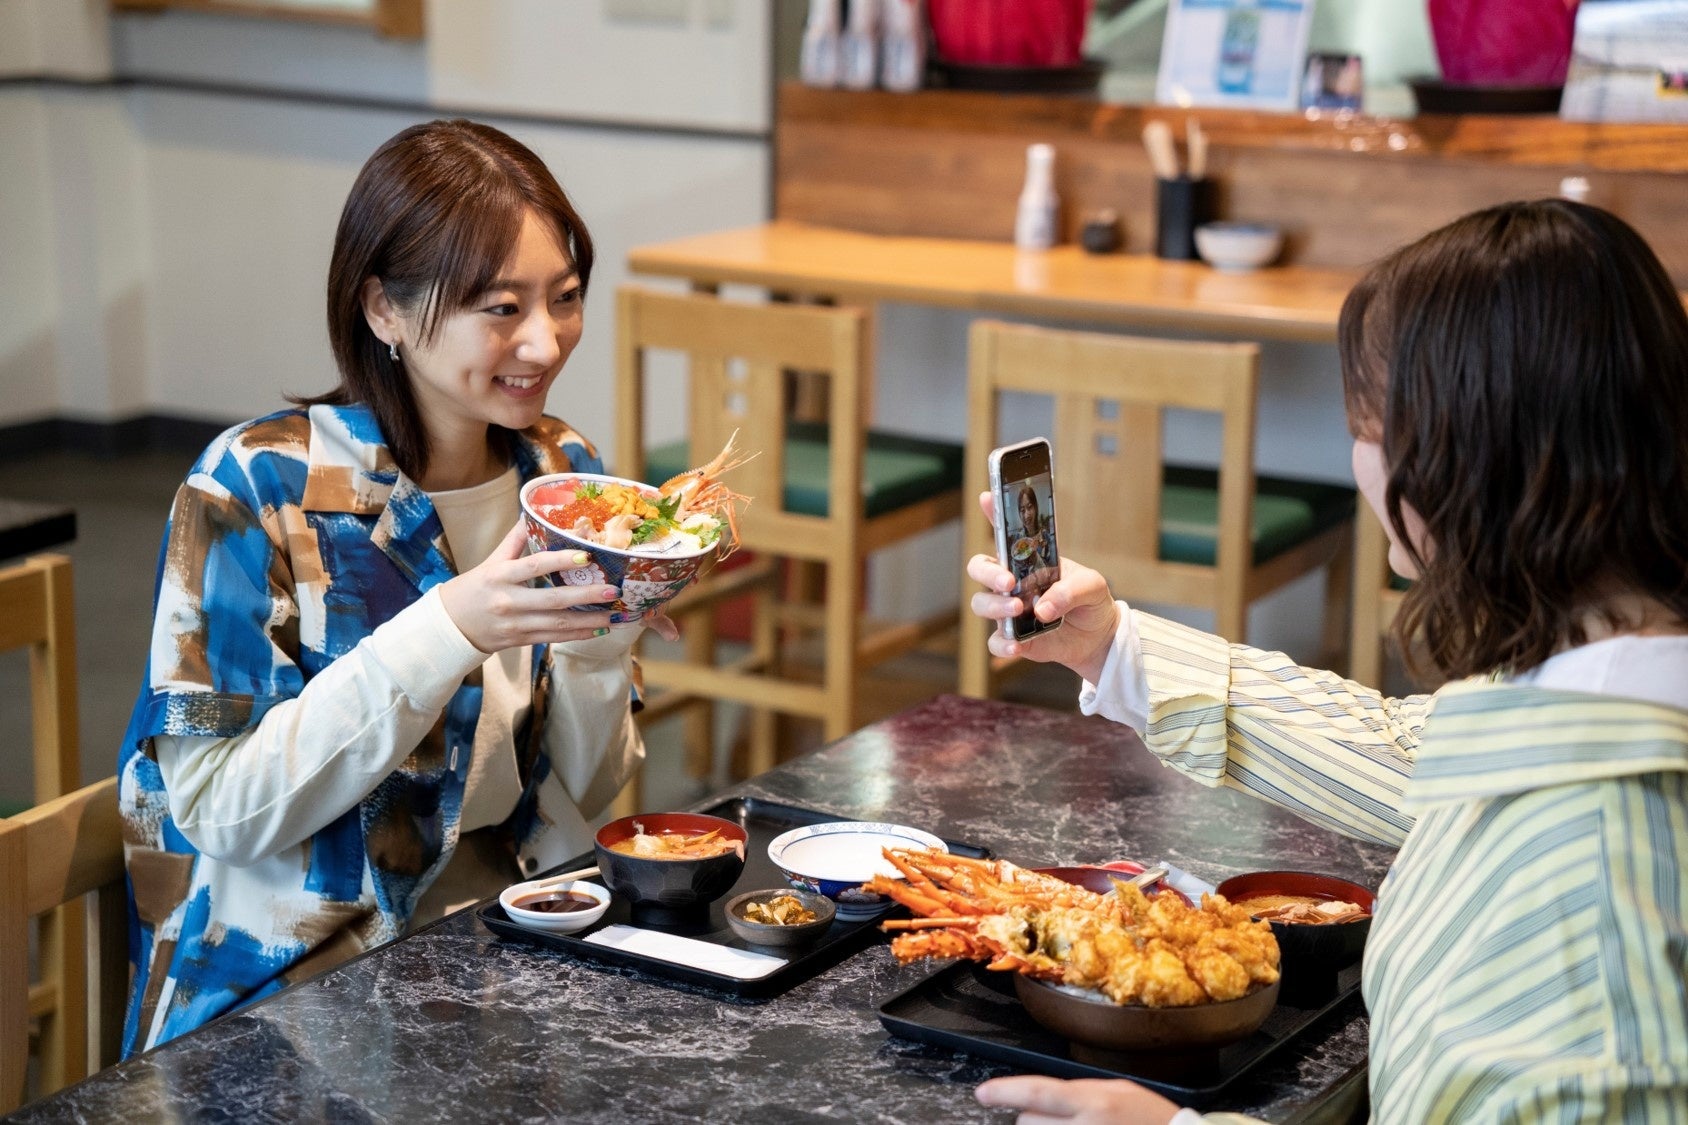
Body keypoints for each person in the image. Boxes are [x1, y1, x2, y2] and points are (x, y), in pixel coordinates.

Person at [966, 200, 1688, 1121]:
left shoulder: (1599, 903)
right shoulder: (1596, 685)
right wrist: (1113, 647)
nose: (1361, 458)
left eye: (1368, 423)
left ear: (1456, 465)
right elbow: (1403, 752)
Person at [116, 119, 678, 1055]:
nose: (545, 341)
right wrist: (450, 626)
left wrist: (600, 642)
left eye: (567, 298)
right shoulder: (255, 488)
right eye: (501, 307)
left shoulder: (562, 475)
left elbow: (581, 788)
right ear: (383, 309)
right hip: (289, 994)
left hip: (505, 944)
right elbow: (217, 811)